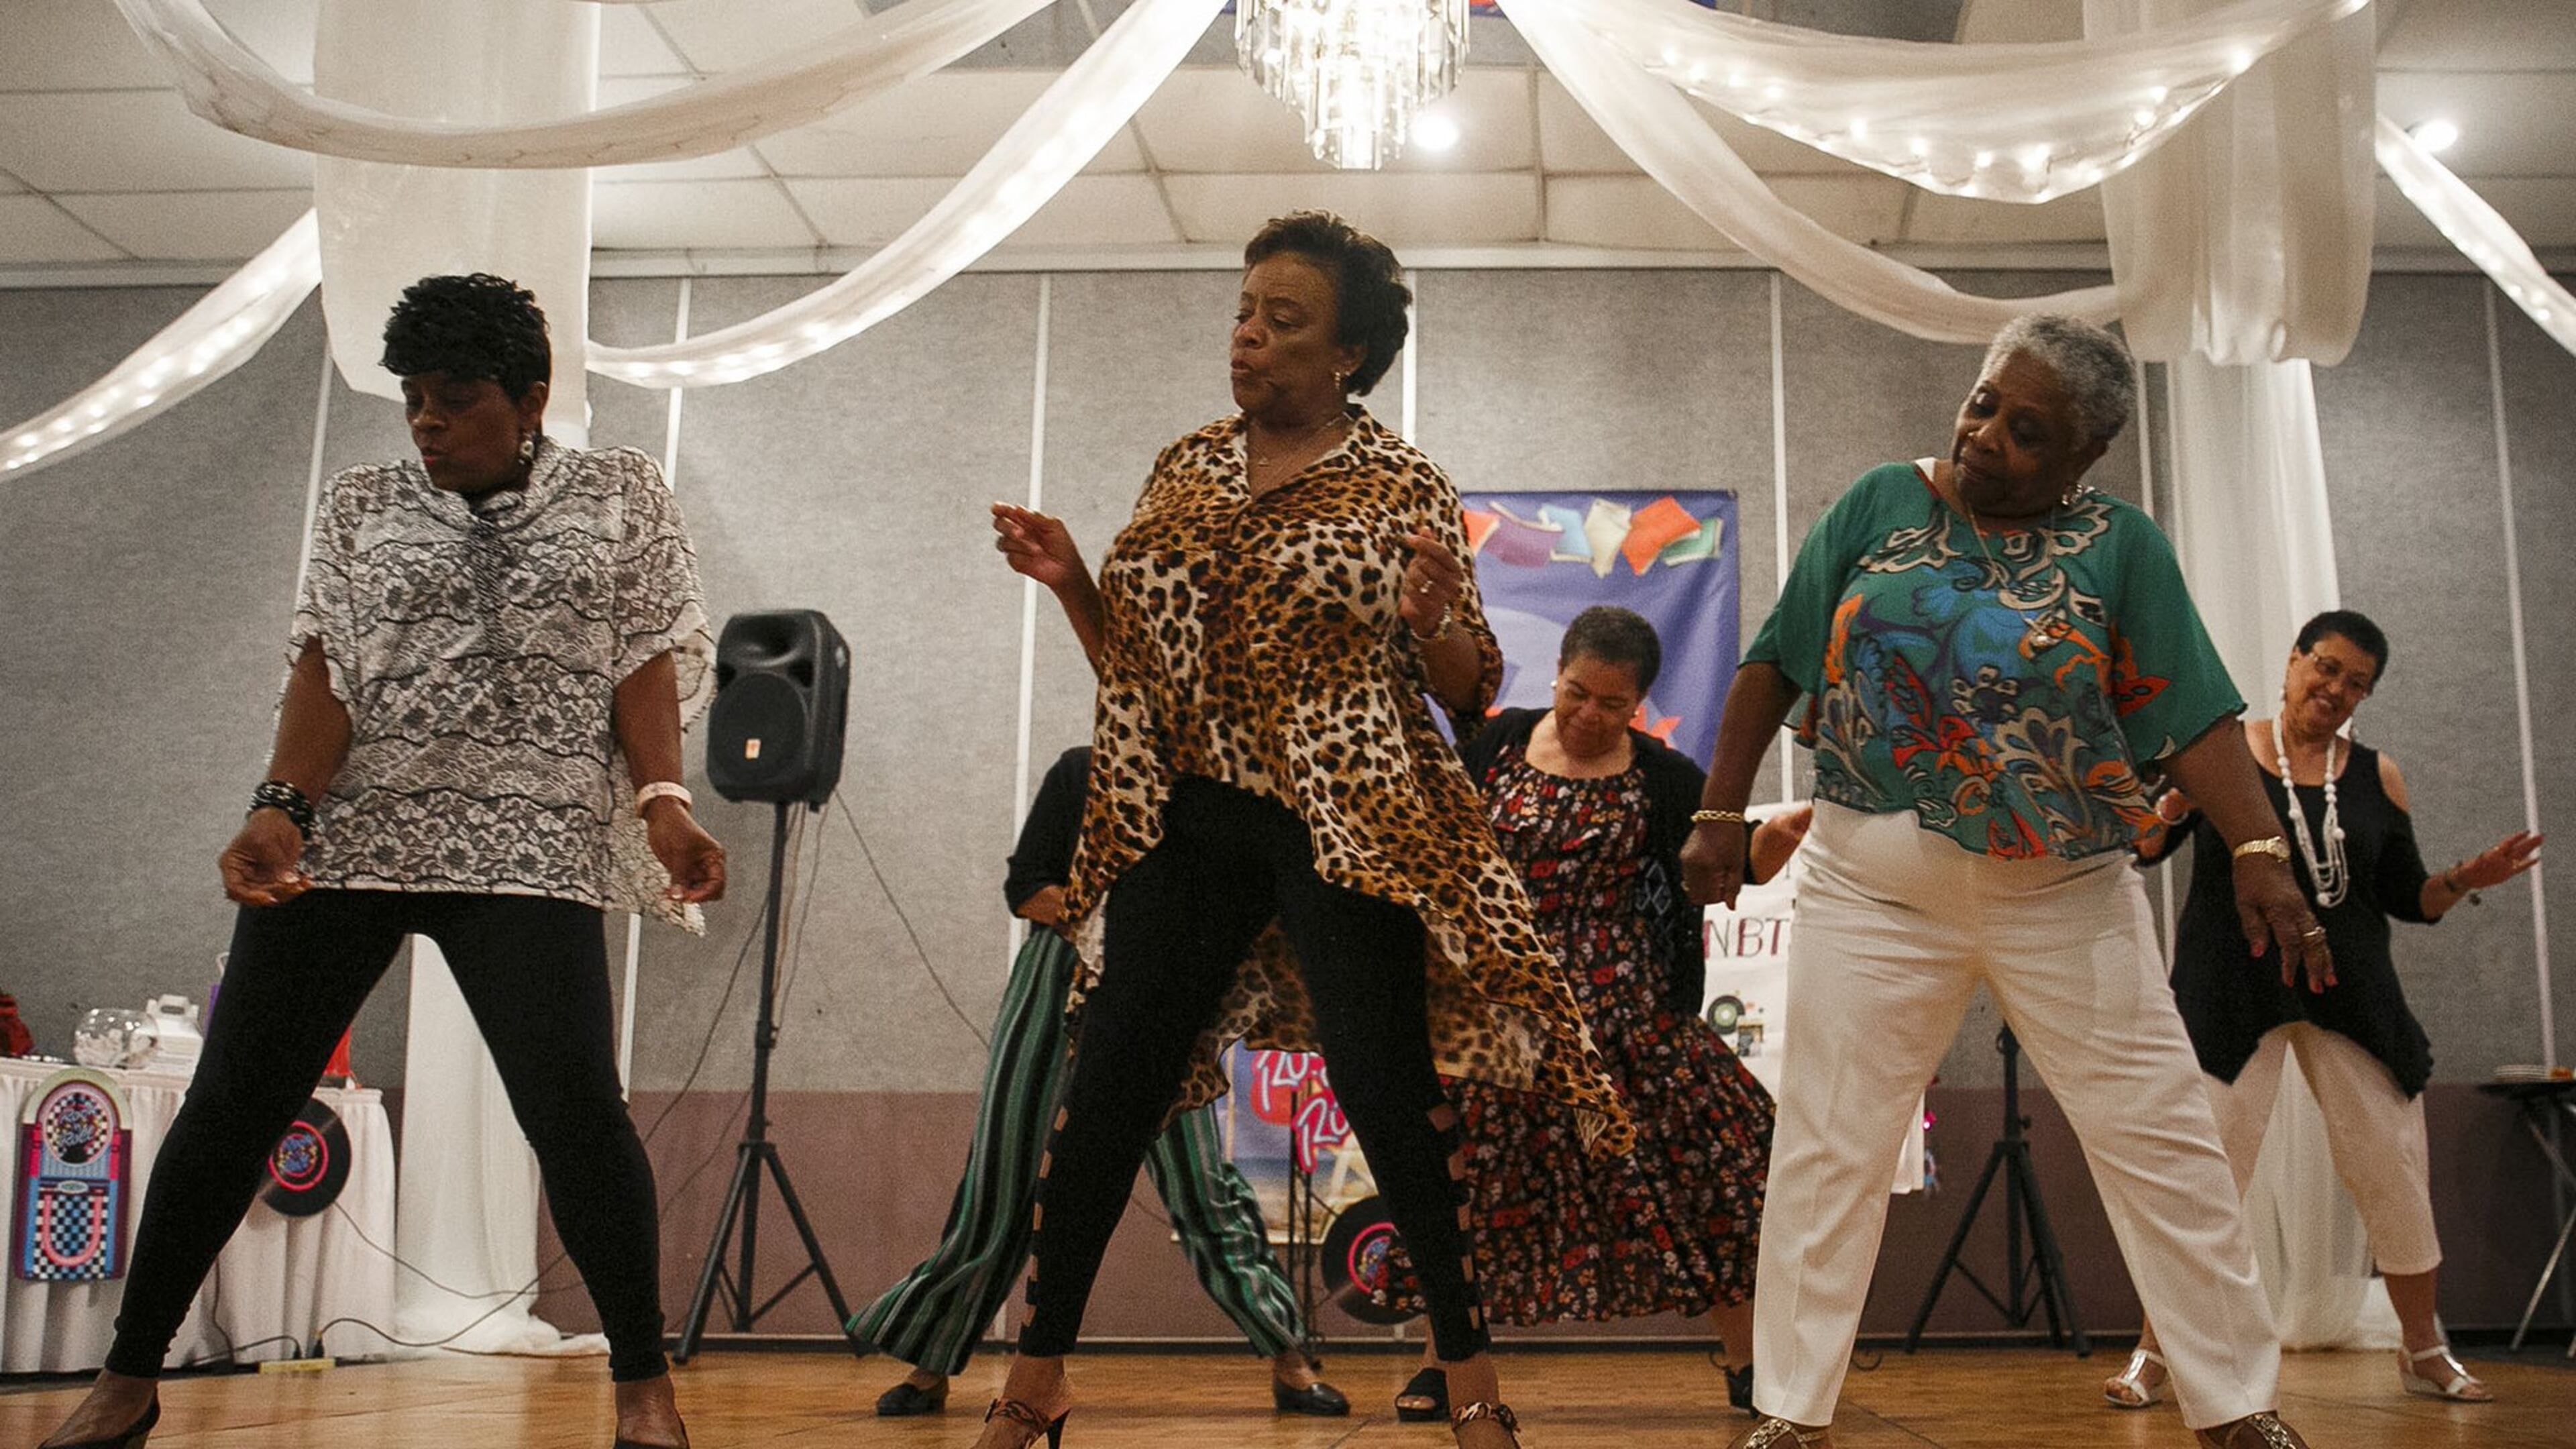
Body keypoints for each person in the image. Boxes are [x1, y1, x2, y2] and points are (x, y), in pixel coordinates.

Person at [37, 274, 723, 1449]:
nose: (426, 423)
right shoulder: (361, 504)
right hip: (357, 834)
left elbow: (644, 653)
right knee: (233, 1105)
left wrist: (663, 798)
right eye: (413, 400)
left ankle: (643, 1389)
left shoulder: (621, 495)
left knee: (573, 1116)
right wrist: (280, 807)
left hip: (532, 839)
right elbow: (328, 667)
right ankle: (130, 1375)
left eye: (455, 400)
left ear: (532, 398)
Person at [980, 210, 1628, 1449]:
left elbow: (1470, 684)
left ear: (1346, 354)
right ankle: (1039, 1373)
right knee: (1110, 1080)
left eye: (1285, 322)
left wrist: (1436, 613)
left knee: (1386, 1089)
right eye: (1243, 312)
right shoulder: (1184, 466)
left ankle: (1470, 1373)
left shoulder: (1400, 483)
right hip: (1198, 807)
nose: (1249, 339)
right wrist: (1074, 579)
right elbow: (1142, 672)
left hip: (1351, 813)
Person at [1684, 313, 2334, 1449]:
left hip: (2065, 895)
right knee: (1831, 1144)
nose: (1987, 437)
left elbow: (2191, 708)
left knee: (2164, 1138)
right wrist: (1715, 812)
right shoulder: (1882, 502)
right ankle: (1791, 1411)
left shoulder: (2121, 545)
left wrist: (2259, 848)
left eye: (2028, 433)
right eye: (1985, 403)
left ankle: (2236, 1406)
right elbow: (1777, 657)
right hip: (1871, 892)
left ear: (2083, 459)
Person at [2103, 610, 2542, 1411]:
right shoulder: (2224, 751)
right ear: (2295, 660)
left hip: (2352, 992)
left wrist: (2469, 876)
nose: (2337, 691)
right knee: (2204, 1178)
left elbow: (2409, 898)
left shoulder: (2379, 774)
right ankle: (2156, 1351)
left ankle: (2424, 1349)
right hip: (2230, 991)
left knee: (2394, 1168)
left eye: (2357, 685)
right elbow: (2142, 846)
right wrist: (2180, 792)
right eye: (2328, 669)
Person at [1385, 606, 1804, 1424]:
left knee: (1711, 1174)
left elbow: (1717, 866)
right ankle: (1445, 1362)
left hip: (1631, 1013)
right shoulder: (1494, 747)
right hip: (1501, 1016)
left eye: (1613, 705)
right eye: (1577, 692)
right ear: (1559, 674)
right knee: (1462, 1184)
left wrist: (1768, 845)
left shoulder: (1666, 775)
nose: (1589, 715)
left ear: (1638, 704)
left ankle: (1750, 1361)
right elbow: (1433, 848)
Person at [853, 746, 1348, 1419]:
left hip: (1164, 993)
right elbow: (1027, 887)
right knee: (1002, 1179)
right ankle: (930, 1362)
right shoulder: (1082, 770)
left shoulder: (1219, 793)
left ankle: (1288, 1358)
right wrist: (1120, 927)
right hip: (1056, 978)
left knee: (1202, 1186)